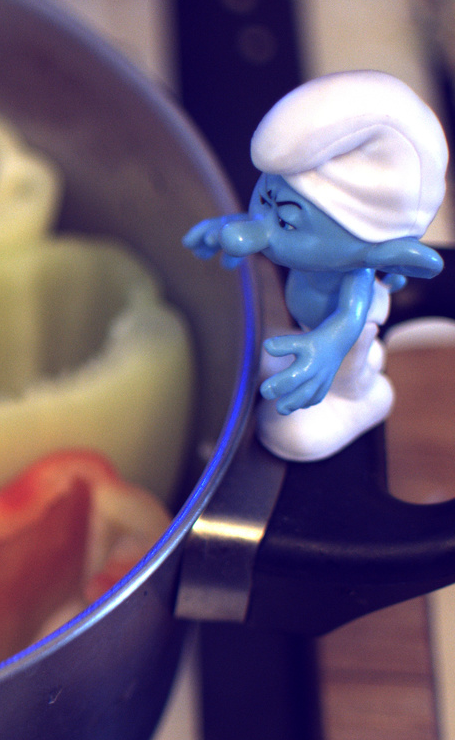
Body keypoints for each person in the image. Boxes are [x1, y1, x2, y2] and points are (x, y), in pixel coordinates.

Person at [182, 70, 446, 461]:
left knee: (292, 432)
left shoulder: (356, 278)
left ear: (372, 249)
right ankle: (298, 358)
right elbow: (253, 229)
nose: (259, 228)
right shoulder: (298, 247)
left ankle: (364, 397)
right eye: (264, 199)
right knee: (255, 350)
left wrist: (325, 348)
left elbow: (348, 321)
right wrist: (220, 228)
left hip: (344, 347)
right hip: (307, 328)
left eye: (287, 222)